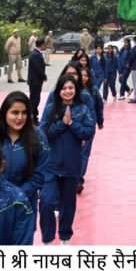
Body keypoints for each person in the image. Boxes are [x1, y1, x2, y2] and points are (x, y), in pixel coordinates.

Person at [39, 75, 95, 245]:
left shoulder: (83, 109)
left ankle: (65, 238)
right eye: (64, 88)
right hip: (51, 166)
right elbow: (43, 133)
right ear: (59, 90)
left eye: (71, 88)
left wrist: (72, 124)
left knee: (68, 205)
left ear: (76, 89)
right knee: (46, 201)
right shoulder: (51, 109)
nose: (67, 91)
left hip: (72, 166)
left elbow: (89, 132)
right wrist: (62, 124)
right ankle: (47, 240)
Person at [0, 91, 51, 213]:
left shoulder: (38, 137)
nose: (20, 117)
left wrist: (17, 195)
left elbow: (41, 172)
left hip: (24, 205)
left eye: (24, 113)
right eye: (15, 112)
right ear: (4, 113)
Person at [78, 66, 104, 195]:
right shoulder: (72, 89)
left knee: (85, 153)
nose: (83, 78)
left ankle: (79, 180)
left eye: (86, 76)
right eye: (81, 75)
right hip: (75, 125)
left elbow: (99, 106)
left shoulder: (93, 91)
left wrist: (100, 121)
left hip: (89, 125)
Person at [28, 38, 48, 125]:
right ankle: (33, 118)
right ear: (42, 45)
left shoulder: (36, 53)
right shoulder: (35, 55)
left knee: (35, 99)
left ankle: (33, 117)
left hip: (36, 81)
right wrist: (44, 76)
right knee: (34, 100)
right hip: (35, 81)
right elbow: (38, 68)